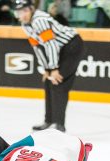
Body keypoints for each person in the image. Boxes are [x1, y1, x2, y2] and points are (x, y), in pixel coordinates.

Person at [13, 0, 83, 133]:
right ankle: (49, 121)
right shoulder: (25, 25)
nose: (22, 15)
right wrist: (46, 69)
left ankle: (59, 125)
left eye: (24, 11)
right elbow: (38, 47)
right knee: (48, 82)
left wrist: (54, 69)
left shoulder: (40, 20)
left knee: (58, 82)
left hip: (72, 46)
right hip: (60, 49)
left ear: (31, 9)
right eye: (19, 12)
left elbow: (51, 45)